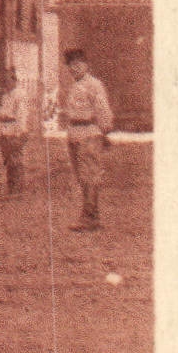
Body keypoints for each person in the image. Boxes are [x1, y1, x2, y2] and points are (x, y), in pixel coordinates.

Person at [60, 48, 115, 232]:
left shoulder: (94, 85)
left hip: (89, 133)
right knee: (82, 177)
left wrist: (104, 132)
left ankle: (89, 218)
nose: (74, 68)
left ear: (86, 65)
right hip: (75, 133)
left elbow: (103, 110)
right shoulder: (74, 86)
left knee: (90, 175)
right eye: (70, 65)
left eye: (77, 64)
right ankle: (92, 215)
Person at [0, 66, 31, 200]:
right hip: (5, 131)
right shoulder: (5, 96)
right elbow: (1, 116)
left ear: (14, 80)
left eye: (8, 81)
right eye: (4, 81)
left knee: (16, 160)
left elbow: (22, 116)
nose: (5, 84)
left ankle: (19, 188)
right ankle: (11, 187)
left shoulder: (20, 94)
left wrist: (19, 133)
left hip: (15, 130)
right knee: (8, 160)